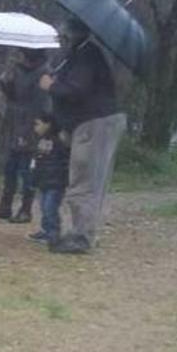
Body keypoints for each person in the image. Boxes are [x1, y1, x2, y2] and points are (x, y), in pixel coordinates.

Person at [40, 18, 127, 254]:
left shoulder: (87, 55)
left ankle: (81, 236)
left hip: (93, 124)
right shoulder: (81, 55)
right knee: (85, 180)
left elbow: (76, 90)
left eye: (64, 34)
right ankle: (81, 231)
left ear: (73, 34)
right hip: (91, 123)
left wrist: (51, 86)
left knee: (85, 180)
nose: (61, 38)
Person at [0, 48, 51, 224]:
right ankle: (5, 205)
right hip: (14, 121)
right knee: (10, 166)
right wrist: (4, 83)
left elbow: (44, 102)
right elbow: (13, 94)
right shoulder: (18, 69)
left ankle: (26, 208)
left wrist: (40, 126)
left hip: (31, 124)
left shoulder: (45, 72)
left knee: (27, 168)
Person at [26, 113, 69, 245]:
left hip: (55, 181)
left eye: (38, 124)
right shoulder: (40, 141)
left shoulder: (58, 142)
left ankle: (53, 233)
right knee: (44, 207)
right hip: (43, 180)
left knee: (50, 208)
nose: (35, 128)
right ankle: (46, 231)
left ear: (48, 124)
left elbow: (63, 161)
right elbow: (37, 161)